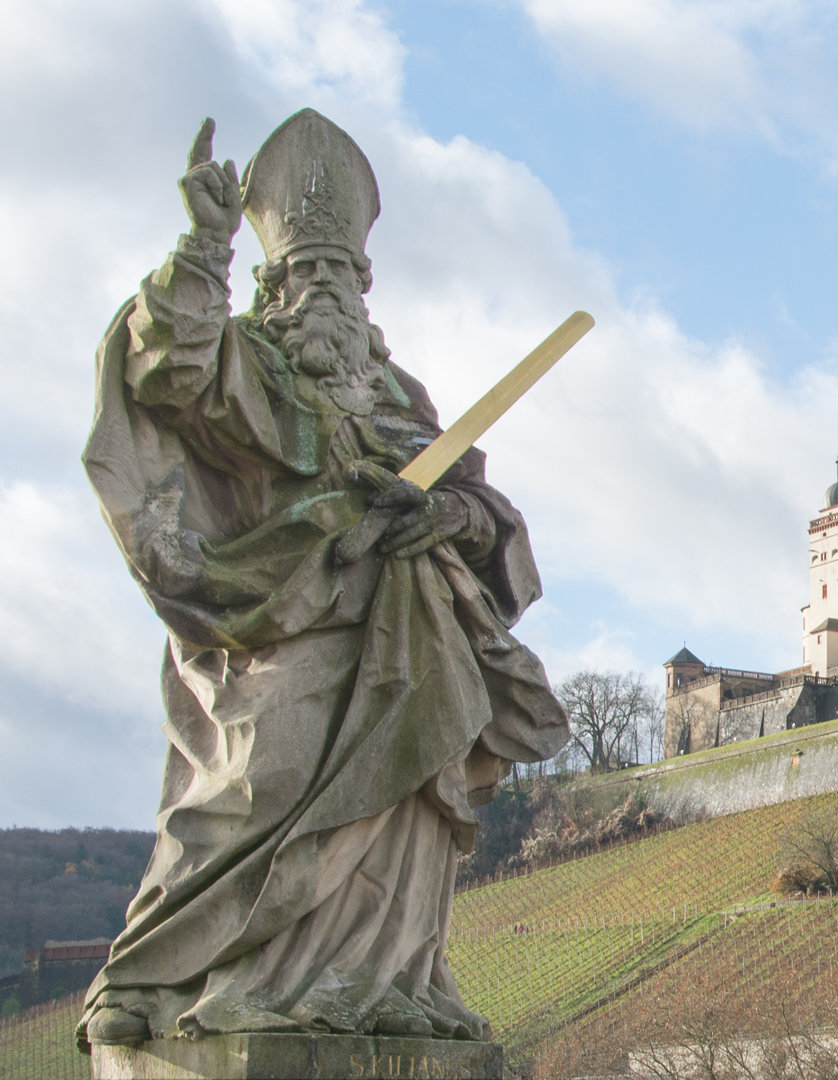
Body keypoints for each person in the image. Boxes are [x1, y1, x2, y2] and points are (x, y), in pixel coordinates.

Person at [77, 109, 569, 1050]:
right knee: (254, 785)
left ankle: (382, 981)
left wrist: (450, 514)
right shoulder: (252, 365)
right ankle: (164, 973)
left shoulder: (396, 396)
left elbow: (479, 500)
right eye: (309, 273)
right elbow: (171, 367)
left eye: (344, 275)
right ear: (272, 283)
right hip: (274, 623)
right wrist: (202, 244)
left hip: (409, 630)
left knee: (407, 801)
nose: (329, 292)